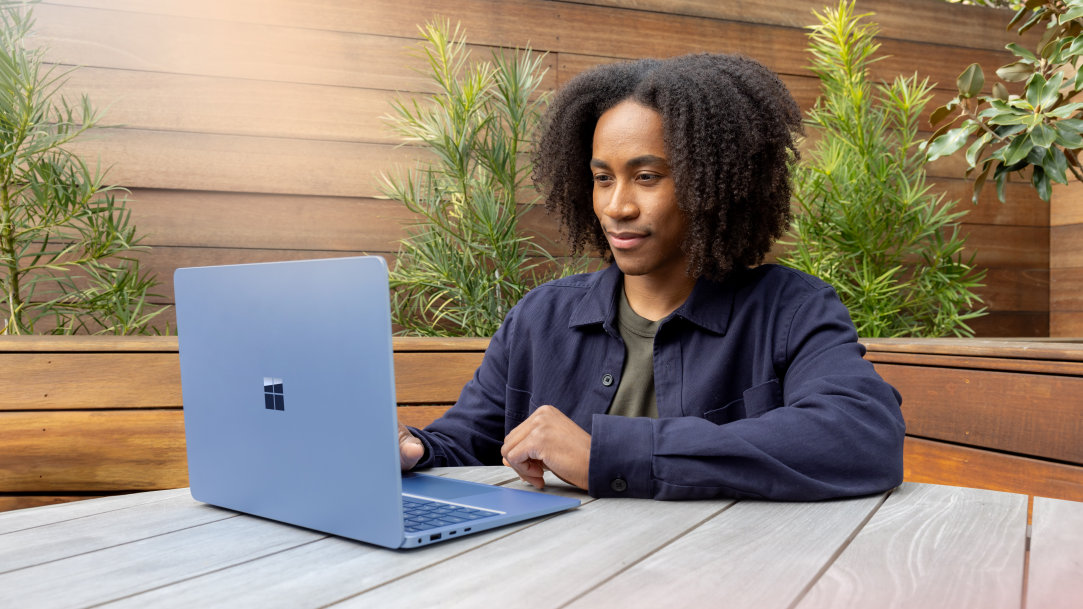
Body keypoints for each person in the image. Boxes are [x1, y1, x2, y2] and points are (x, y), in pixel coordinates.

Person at [397, 53, 905, 501]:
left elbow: (861, 437)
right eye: (602, 178)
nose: (617, 206)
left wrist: (607, 455)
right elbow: (465, 443)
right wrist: (413, 448)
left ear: (715, 184)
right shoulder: (540, 317)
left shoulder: (789, 311)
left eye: (647, 177)